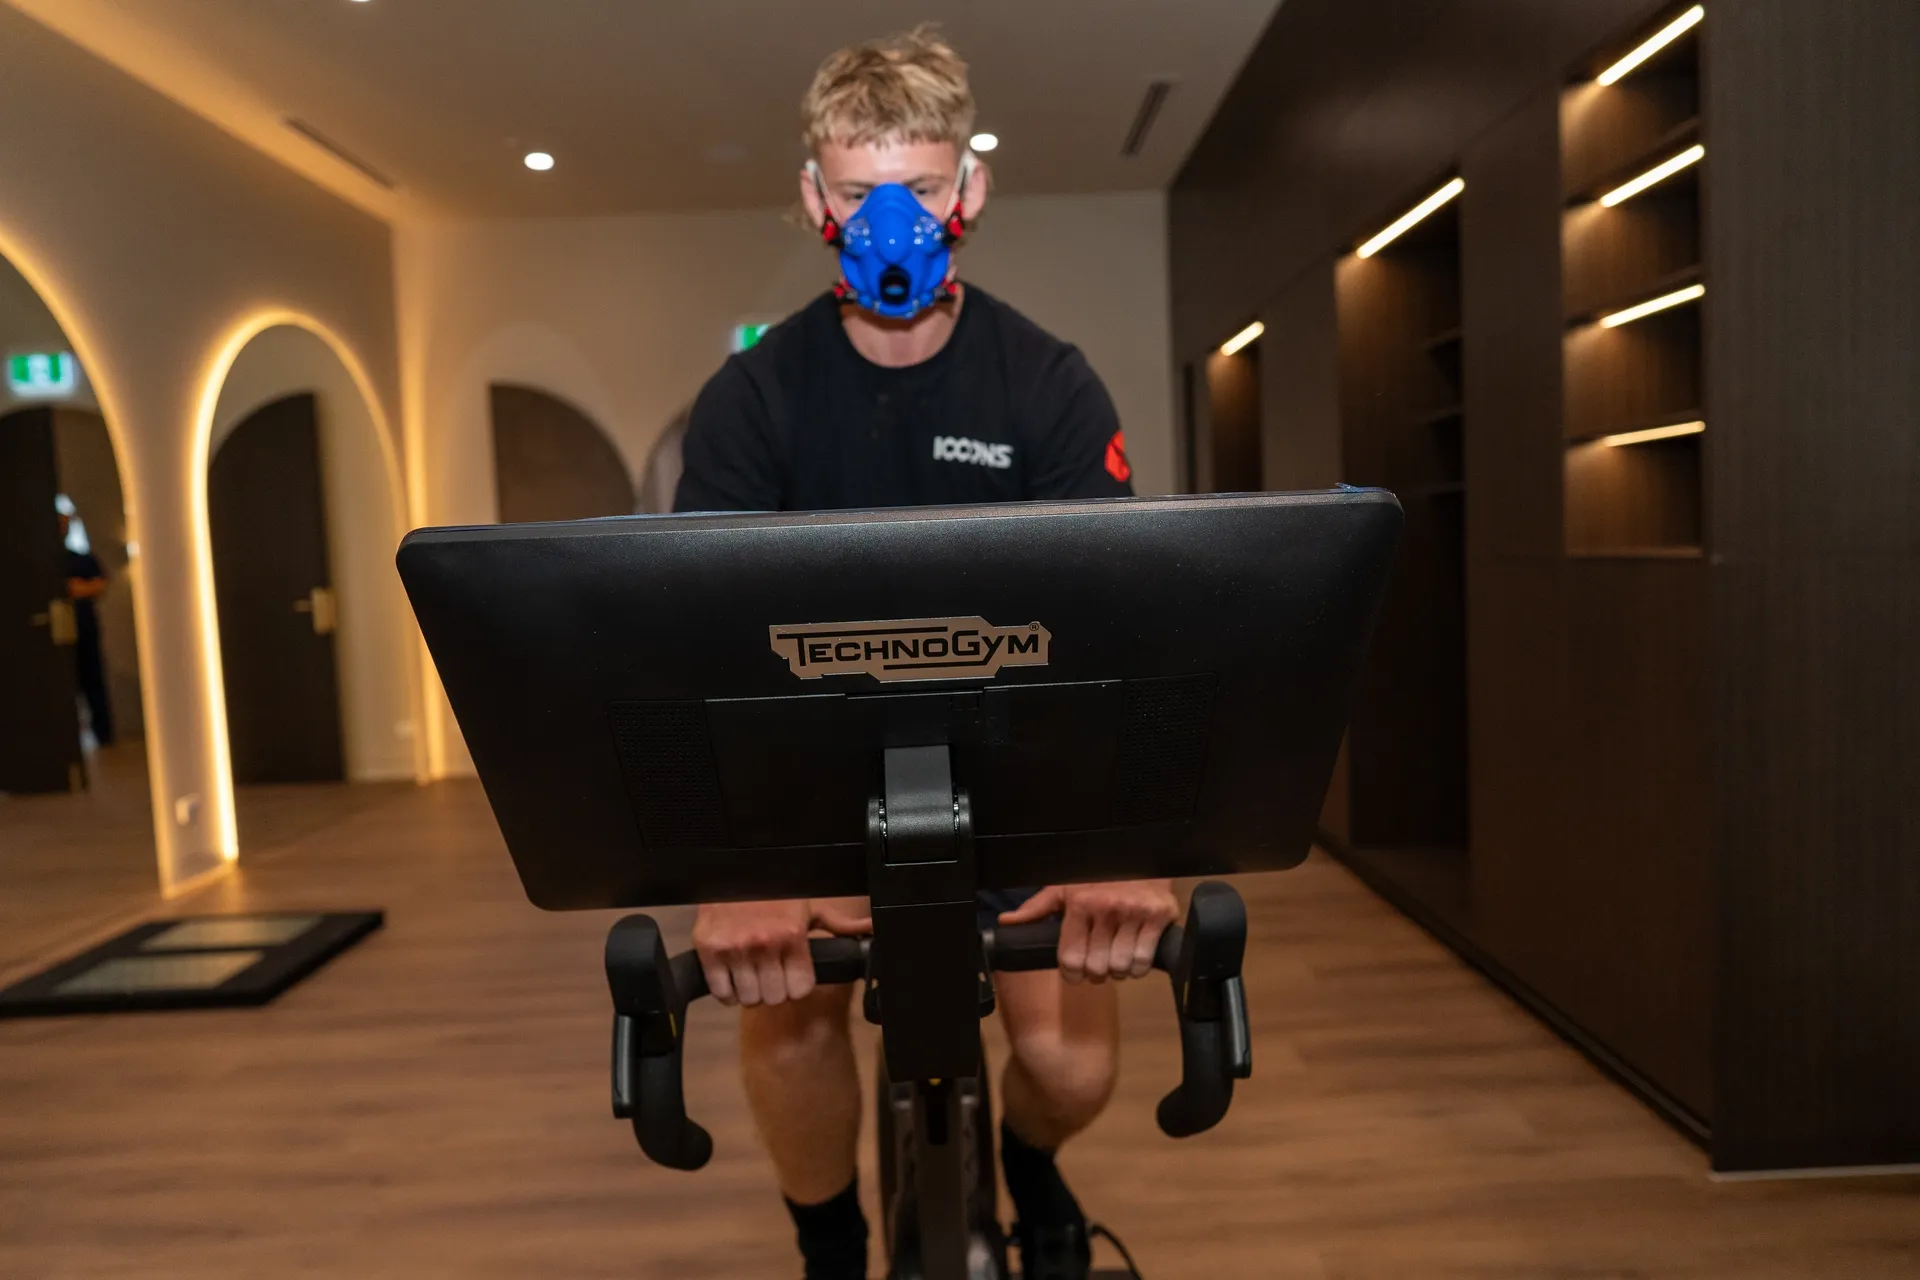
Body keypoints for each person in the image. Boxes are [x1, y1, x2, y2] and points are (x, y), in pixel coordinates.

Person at [672, 26, 1173, 1280]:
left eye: (923, 183)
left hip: (1021, 772)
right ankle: (831, 1244)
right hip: (812, 780)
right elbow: (700, 638)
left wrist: (1118, 845)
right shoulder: (755, 400)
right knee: (786, 1026)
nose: (892, 218)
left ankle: (1035, 1164)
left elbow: (1113, 631)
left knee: (1070, 1062)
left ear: (971, 191)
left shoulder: (1048, 387)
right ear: (813, 200)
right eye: (856, 191)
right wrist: (738, 865)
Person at [59, 505, 113, 748]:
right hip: (58, 637)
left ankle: (104, 735)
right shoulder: (47, 563)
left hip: (86, 631)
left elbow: (100, 585)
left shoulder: (81, 558)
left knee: (93, 682)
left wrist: (76, 588)